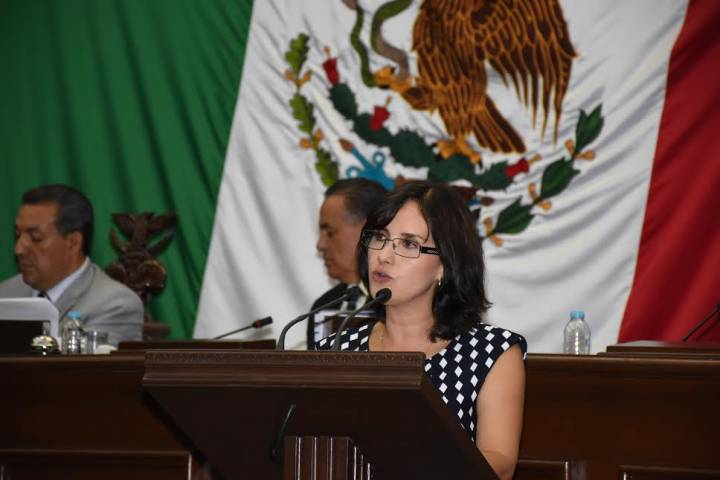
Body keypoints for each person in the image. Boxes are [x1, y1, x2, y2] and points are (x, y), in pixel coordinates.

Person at [317, 181, 526, 480]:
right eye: (380, 238)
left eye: (408, 244)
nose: (384, 256)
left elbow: (500, 462)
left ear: (444, 266)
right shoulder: (337, 351)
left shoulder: (491, 352)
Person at [0, 184, 143, 345]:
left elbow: (81, 362)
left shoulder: (115, 305)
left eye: (35, 237)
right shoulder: (4, 294)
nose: (18, 249)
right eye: (18, 235)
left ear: (73, 242)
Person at [308, 178, 387, 348]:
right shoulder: (323, 306)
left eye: (330, 232)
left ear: (368, 230)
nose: (320, 245)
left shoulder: (395, 305)